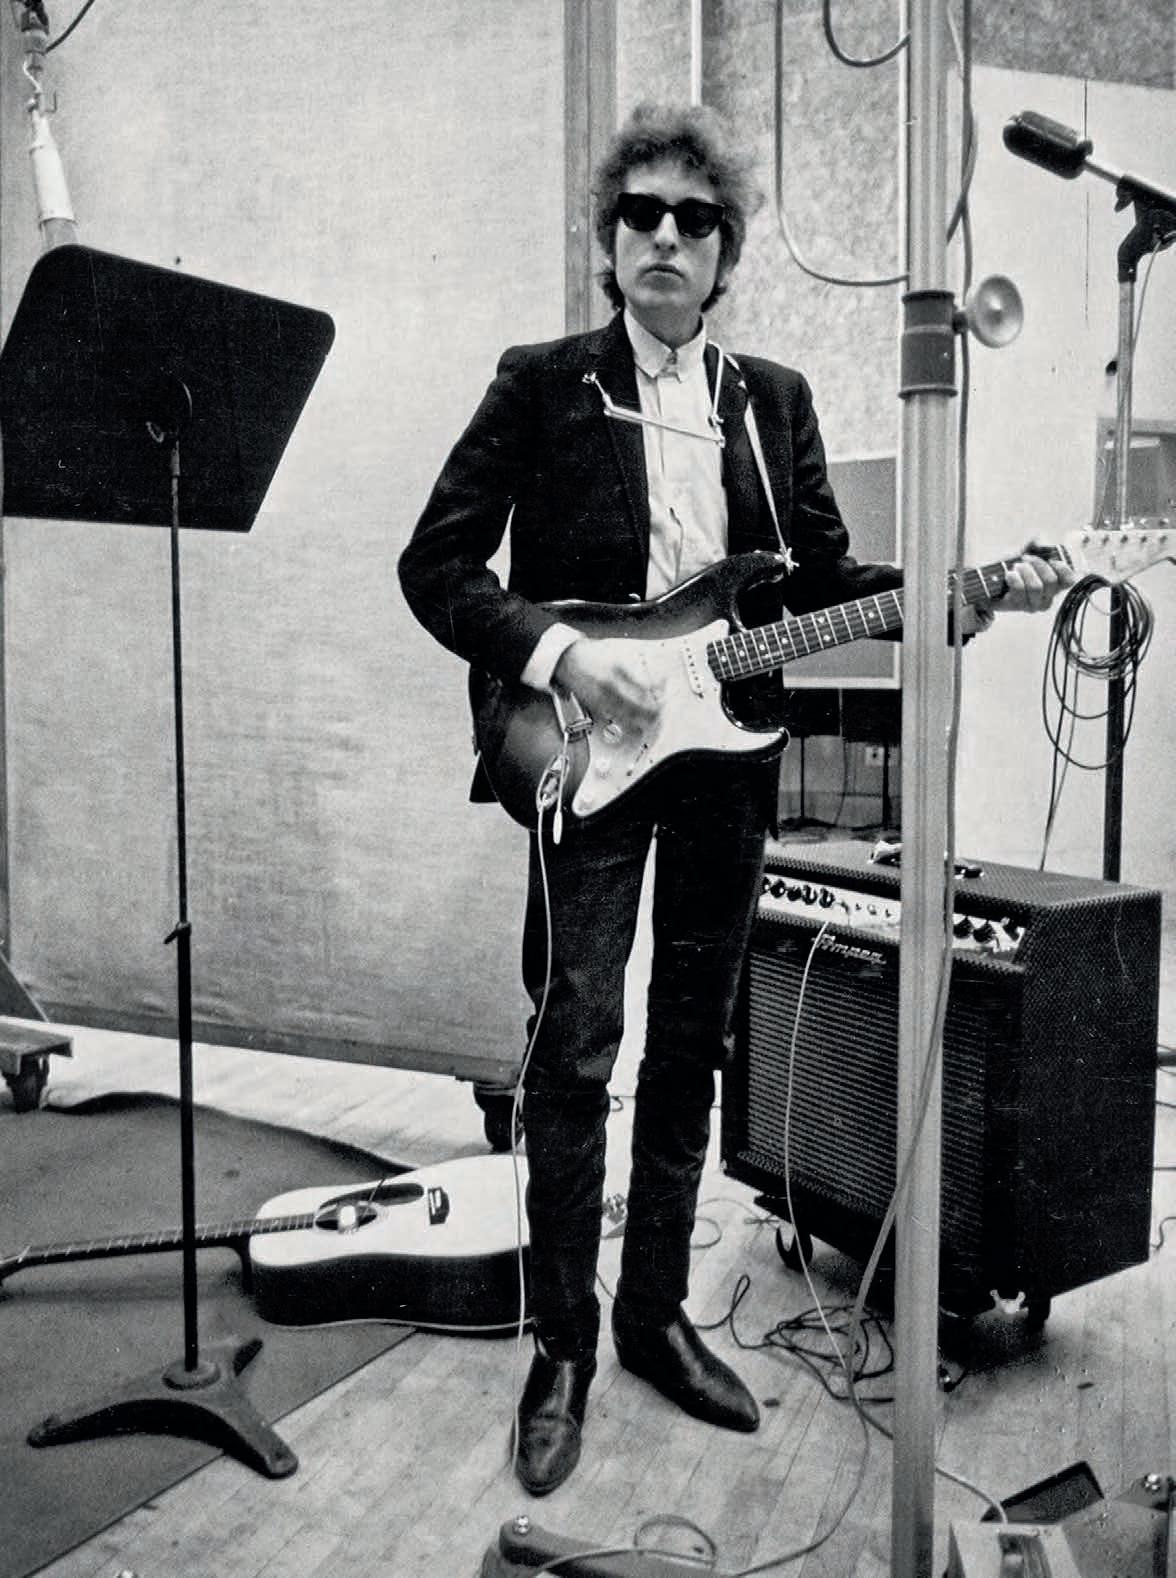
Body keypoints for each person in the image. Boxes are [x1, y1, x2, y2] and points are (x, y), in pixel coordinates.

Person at [398, 102, 1071, 1496]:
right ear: (608, 238)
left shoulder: (773, 402)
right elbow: (437, 566)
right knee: (576, 1044)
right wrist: (563, 653)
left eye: (693, 219)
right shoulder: (542, 382)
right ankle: (560, 1346)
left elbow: (819, 583)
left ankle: (652, 1315)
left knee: (696, 1038)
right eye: (640, 213)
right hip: (582, 749)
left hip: (727, 762)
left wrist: (953, 599)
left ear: (725, 251)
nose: (665, 235)